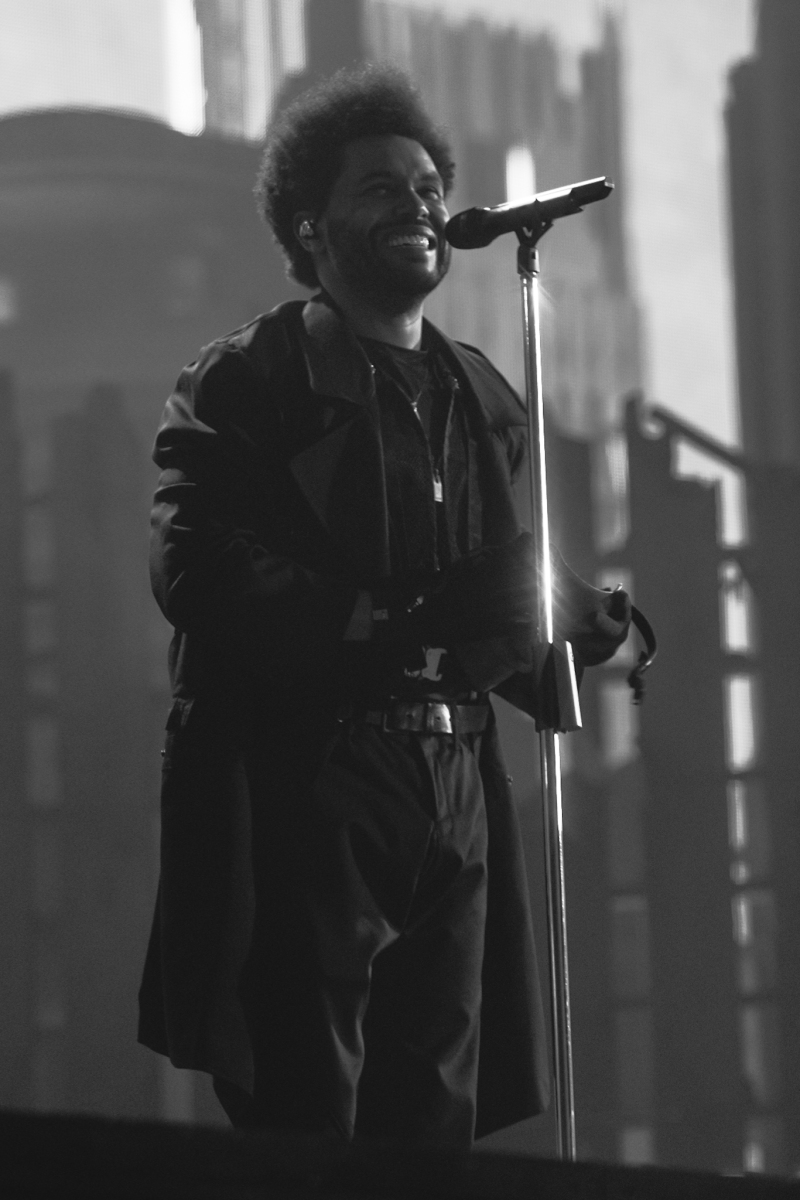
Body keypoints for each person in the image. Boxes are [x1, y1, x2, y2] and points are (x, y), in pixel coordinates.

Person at [138, 64, 630, 1148]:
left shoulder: (481, 394)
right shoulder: (249, 377)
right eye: (379, 187)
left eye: (427, 187)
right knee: (304, 1100)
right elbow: (197, 569)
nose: (416, 204)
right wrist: (401, 615)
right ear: (309, 228)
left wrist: (577, 623)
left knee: (434, 1107)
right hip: (310, 768)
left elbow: (491, 584)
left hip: (452, 772)